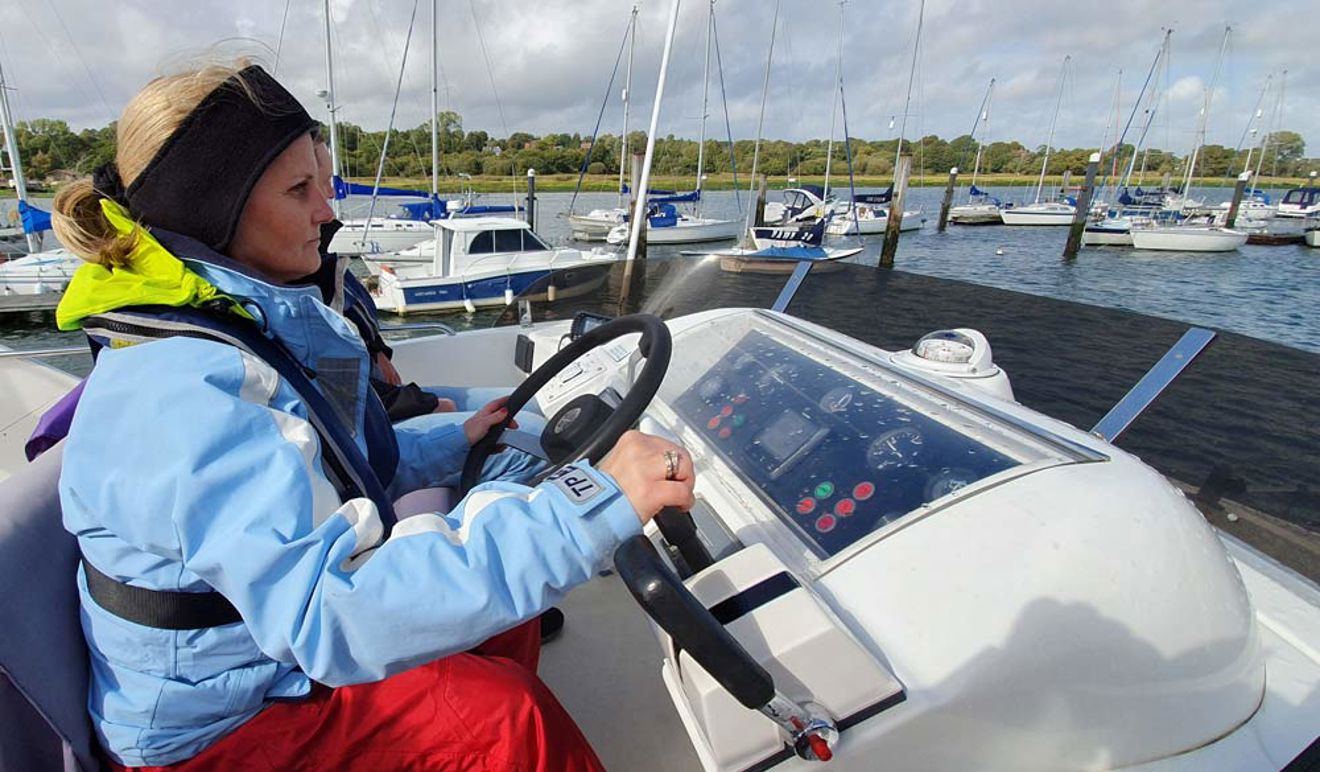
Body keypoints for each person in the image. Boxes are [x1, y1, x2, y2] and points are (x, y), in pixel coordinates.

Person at [51, 60, 695, 770]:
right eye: (300, 190)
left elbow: (333, 466)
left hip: (263, 663)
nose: (327, 212)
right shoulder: (183, 390)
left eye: (321, 184)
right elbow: (332, 611)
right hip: (214, 728)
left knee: (500, 618)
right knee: (505, 724)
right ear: (216, 211)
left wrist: (453, 442)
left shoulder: (247, 322)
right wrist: (592, 502)